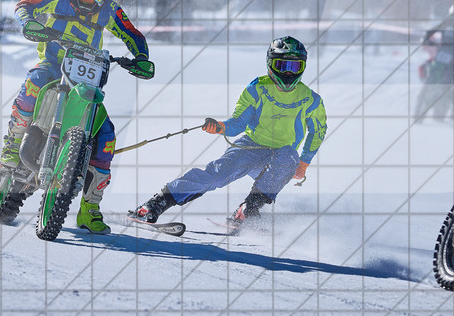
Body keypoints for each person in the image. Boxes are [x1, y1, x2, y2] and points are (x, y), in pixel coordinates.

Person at [1, 0, 151, 235]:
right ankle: (10, 153)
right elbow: (24, 5)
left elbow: (132, 33)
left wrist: (142, 58)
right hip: (54, 65)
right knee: (33, 85)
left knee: (105, 133)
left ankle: (90, 208)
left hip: (87, 80)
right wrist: (29, 23)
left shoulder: (109, 8)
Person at [131, 37, 326, 228]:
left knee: (289, 156)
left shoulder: (311, 99)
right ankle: (156, 204)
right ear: (270, 64)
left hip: (280, 158)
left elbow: (318, 131)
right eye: (282, 66)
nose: (288, 73)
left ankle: (248, 209)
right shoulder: (257, 88)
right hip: (250, 146)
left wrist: (304, 162)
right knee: (216, 175)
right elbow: (239, 122)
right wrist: (221, 126)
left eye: (295, 67)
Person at [413, 5, 454, 121]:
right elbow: (429, 32)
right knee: (429, 72)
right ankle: (452, 109)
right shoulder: (447, 24)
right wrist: (425, 40)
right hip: (442, 57)